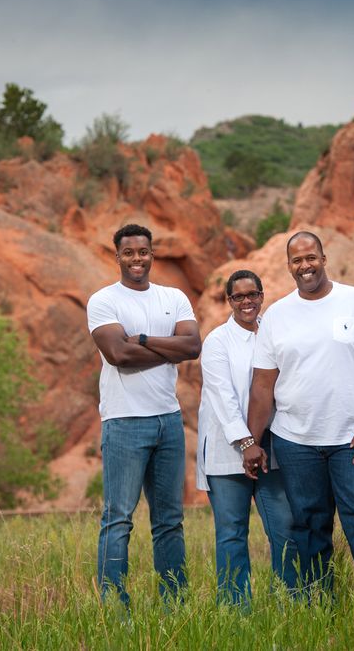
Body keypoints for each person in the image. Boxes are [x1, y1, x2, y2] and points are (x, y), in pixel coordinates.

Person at [242, 231, 354, 615]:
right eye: (297, 260)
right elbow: (263, 386)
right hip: (296, 442)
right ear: (289, 266)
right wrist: (251, 441)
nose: (305, 265)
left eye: (311, 257)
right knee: (310, 526)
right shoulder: (277, 315)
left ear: (324, 258)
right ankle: (319, 606)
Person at [86, 223, 202, 608]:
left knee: (169, 521)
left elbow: (193, 346)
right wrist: (171, 349)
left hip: (168, 421)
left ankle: (175, 604)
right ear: (117, 256)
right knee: (118, 519)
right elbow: (118, 355)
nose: (138, 258)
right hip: (123, 421)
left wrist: (145, 341)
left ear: (153, 253)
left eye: (144, 251)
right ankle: (114, 606)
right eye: (130, 252)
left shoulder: (174, 297)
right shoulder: (103, 300)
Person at [196, 269, 298, 606]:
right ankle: (235, 608)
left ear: (262, 295)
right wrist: (245, 443)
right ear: (229, 301)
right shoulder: (216, 342)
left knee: (284, 528)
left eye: (252, 294)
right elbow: (223, 399)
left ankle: (289, 599)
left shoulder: (276, 333)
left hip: (272, 446)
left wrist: (261, 443)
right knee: (232, 533)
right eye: (238, 296)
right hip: (228, 453)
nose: (247, 302)